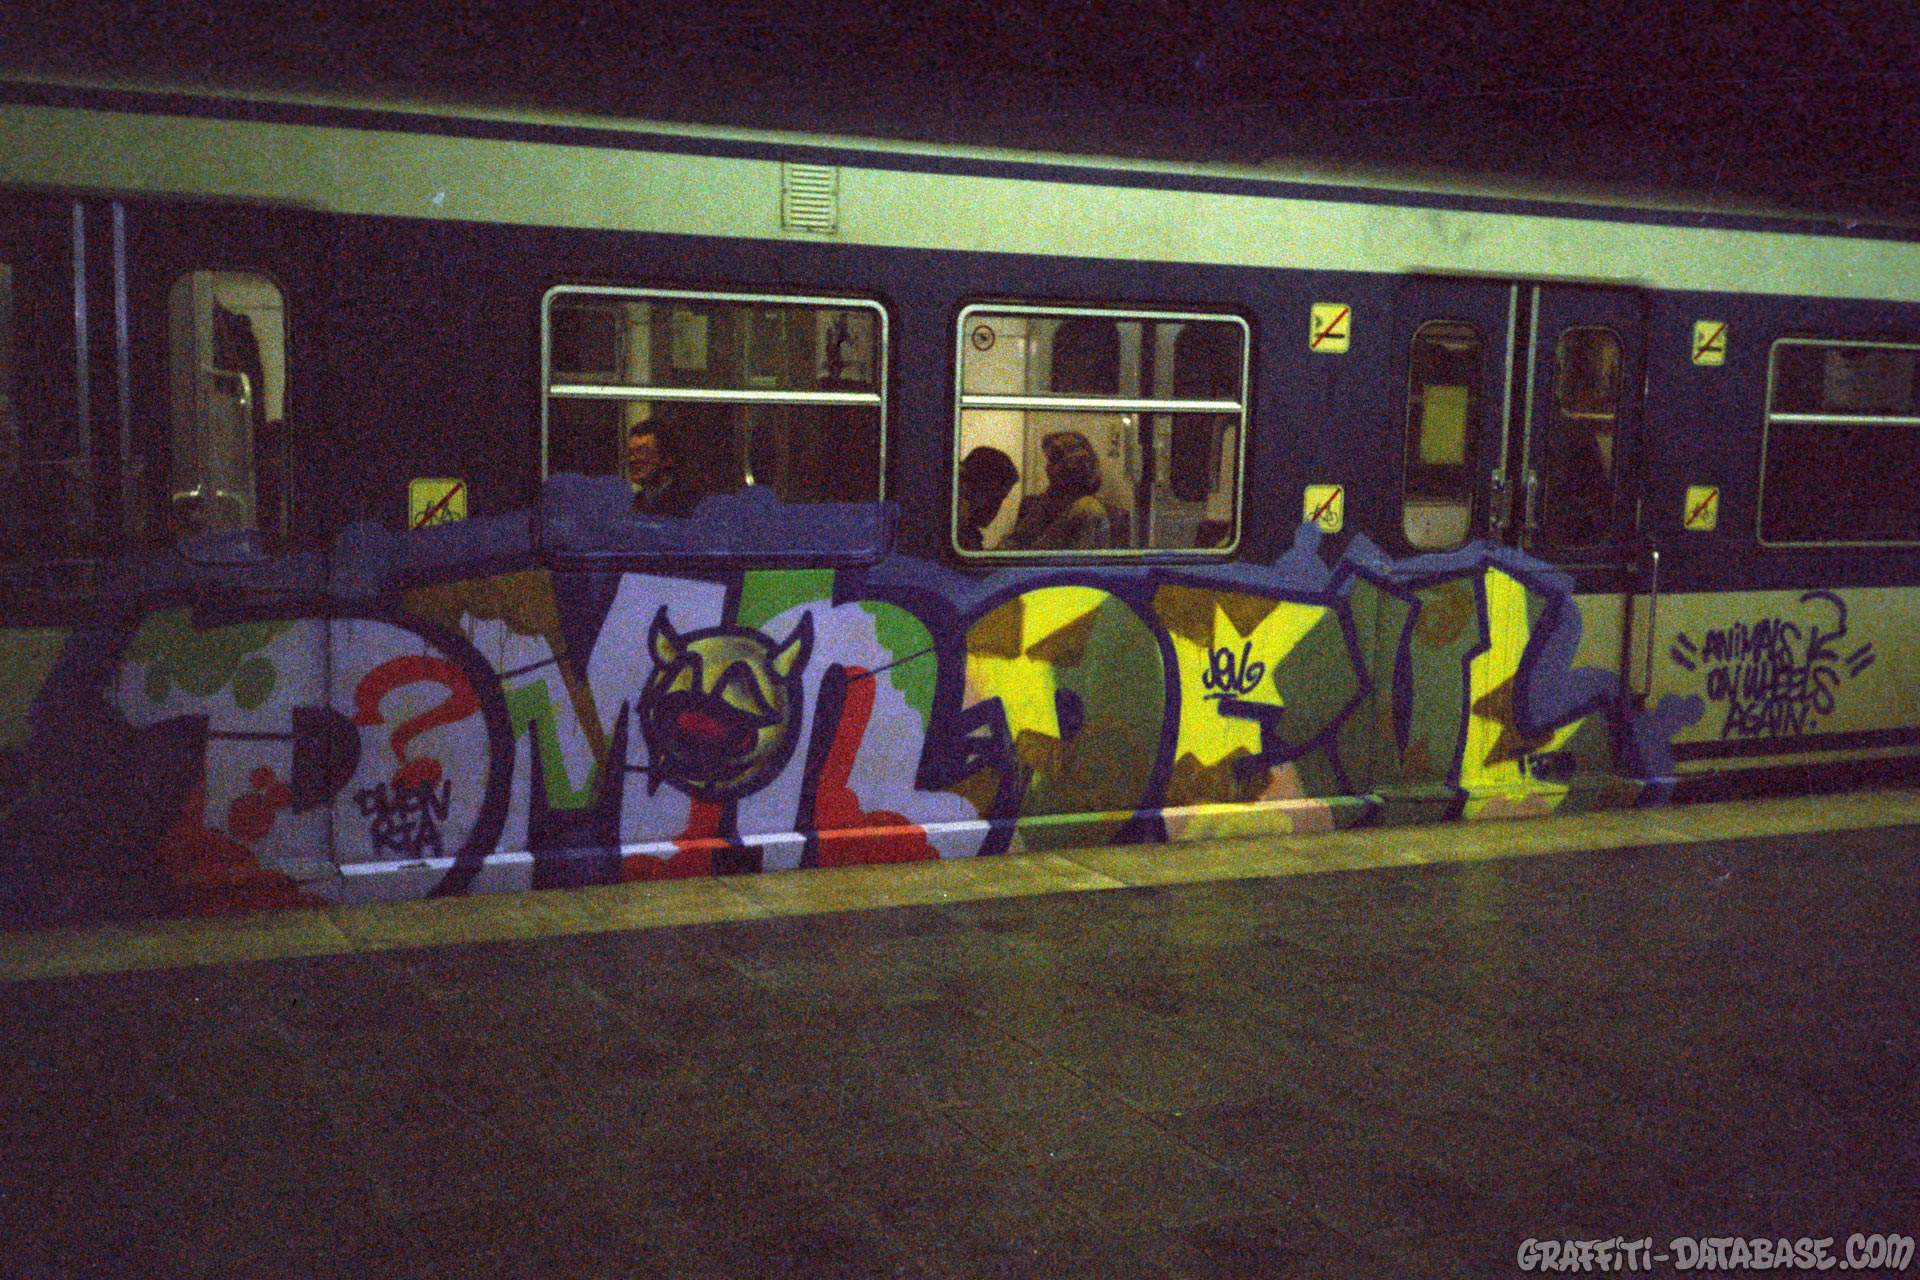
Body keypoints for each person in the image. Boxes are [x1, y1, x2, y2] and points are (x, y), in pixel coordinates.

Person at [1006, 429, 1110, 550]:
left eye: (1053, 460)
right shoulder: (1043, 503)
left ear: (1072, 465)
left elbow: (1075, 560)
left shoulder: (1086, 508)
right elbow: (1016, 542)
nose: (1047, 467)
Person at [627, 423, 698, 517]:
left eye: (642, 452)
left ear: (667, 458)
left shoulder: (685, 501)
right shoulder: (637, 501)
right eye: (630, 453)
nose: (632, 460)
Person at [956, 445, 1018, 551]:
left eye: (1001, 499)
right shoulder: (952, 532)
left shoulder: (968, 533)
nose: (996, 506)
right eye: (995, 497)